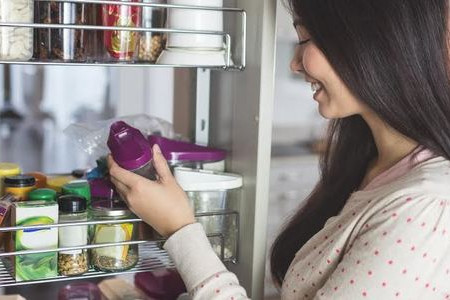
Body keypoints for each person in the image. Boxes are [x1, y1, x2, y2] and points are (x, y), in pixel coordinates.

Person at [107, 0, 450, 298]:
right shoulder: (371, 163)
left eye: (305, 39)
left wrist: (179, 229)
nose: (295, 63)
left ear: (372, 42)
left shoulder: (425, 208)